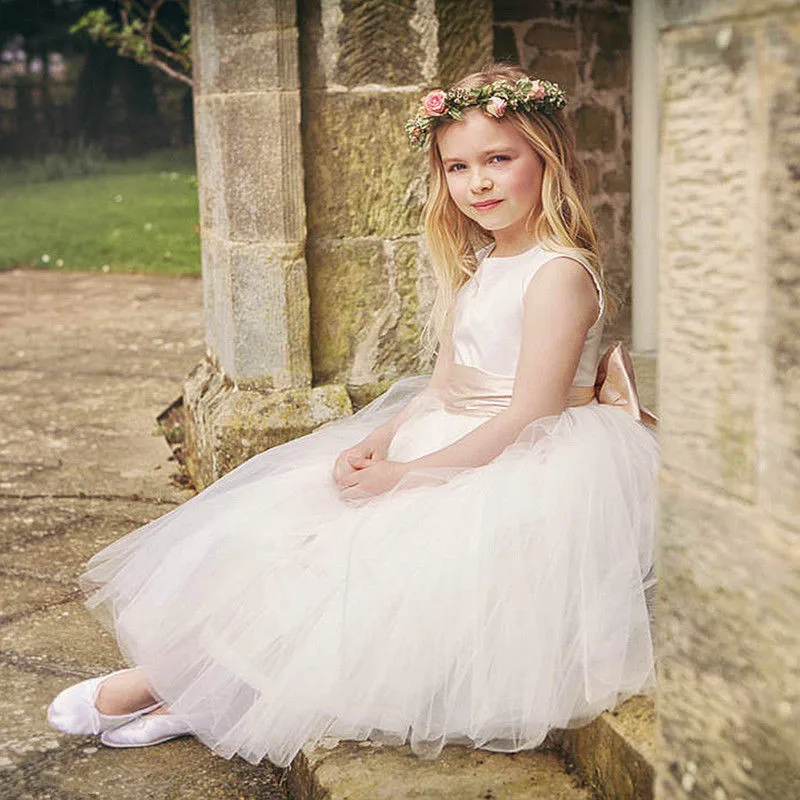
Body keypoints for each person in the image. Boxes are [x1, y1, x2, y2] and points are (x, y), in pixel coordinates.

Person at [47, 63, 660, 769]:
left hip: (529, 458)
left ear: (546, 160)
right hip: (455, 435)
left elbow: (528, 414)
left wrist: (408, 477)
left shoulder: (557, 272)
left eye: (499, 160)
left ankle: (160, 681)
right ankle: (199, 696)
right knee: (290, 528)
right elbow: (442, 386)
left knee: (363, 569)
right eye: (458, 167)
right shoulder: (483, 262)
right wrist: (377, 441)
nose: (479, 183)